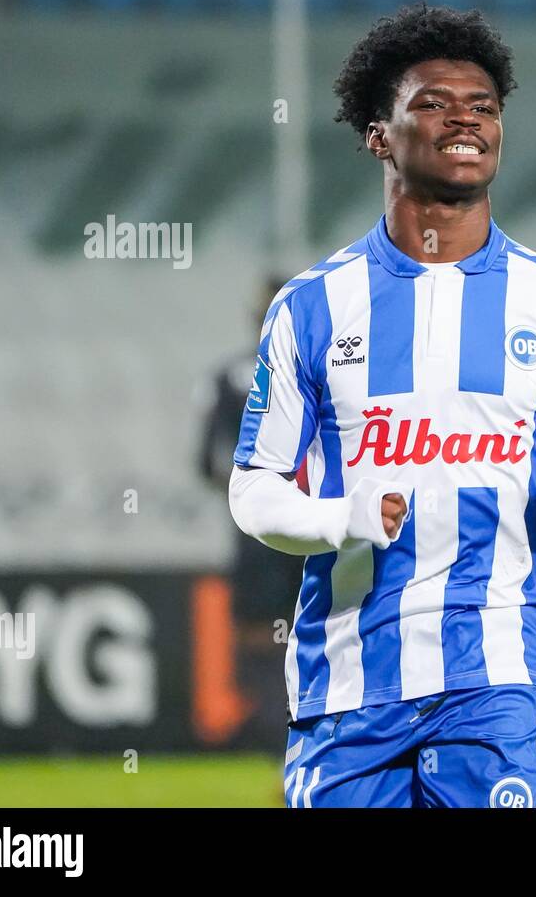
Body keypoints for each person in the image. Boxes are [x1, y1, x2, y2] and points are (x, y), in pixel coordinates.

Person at [227, 3, 536, 807]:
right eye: (432, 102)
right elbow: (252, 489)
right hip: (348, 679)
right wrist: (340, 518)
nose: (465, 117)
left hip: (497, 673)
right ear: (378, 134)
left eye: (484, 106)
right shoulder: (312, 308)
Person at [197, 274, 305, 749]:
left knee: (262, 640)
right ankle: (315, 753)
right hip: (313, 525)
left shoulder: (229, 376)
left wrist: (252, 491)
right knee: (321, 634)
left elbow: (206, 462)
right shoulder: (323, 370)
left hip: (257, 530)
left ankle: (279, 755)